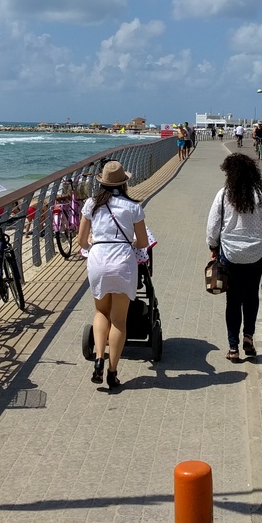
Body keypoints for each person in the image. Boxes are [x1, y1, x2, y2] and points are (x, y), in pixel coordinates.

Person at [77, 161, 148, 391]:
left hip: (98, 259)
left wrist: (94, 243)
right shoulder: (133, 207)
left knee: (101, 312)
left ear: (102, 182)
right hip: (122, 262)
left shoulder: (91, 204)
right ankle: (112, 372)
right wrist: (130, 243)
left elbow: (81, 241)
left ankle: (99, 358)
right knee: (118, 320)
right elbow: (143, 242)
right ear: (124, 183)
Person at [207, 153, 262, 362]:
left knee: (233, 300)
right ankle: (248, 336)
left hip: (230, 253)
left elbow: (212, 226)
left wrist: (213, 247)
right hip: (256, 253)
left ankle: (233, 348)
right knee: (251, 295)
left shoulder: (223, 195)